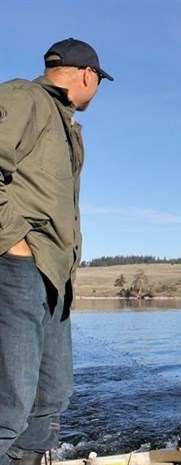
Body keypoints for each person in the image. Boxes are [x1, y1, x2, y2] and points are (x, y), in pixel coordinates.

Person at [0, 38, 113, 465]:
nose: (96, 89)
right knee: (9, 403)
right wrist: (13, 240)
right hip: (18, 268)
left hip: (53, 273)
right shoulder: (23, 98)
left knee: (51, 393)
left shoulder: (62, 121)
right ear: (88, 75)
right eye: (99, 81)